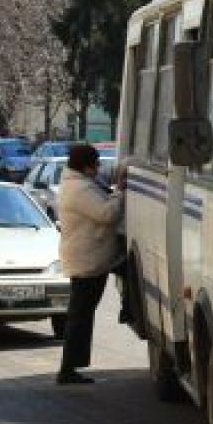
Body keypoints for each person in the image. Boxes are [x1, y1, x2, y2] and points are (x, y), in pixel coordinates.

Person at [56, 144, 124, 385]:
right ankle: (68, 369)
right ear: (85, 166)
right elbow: (107, 214)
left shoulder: (79, 183)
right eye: (95, 164)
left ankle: (70, 367)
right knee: (80, 316)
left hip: (89, 257)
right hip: (87, 260)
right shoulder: (80, 189)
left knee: (81, 314)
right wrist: (119, 193)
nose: (98, 168)